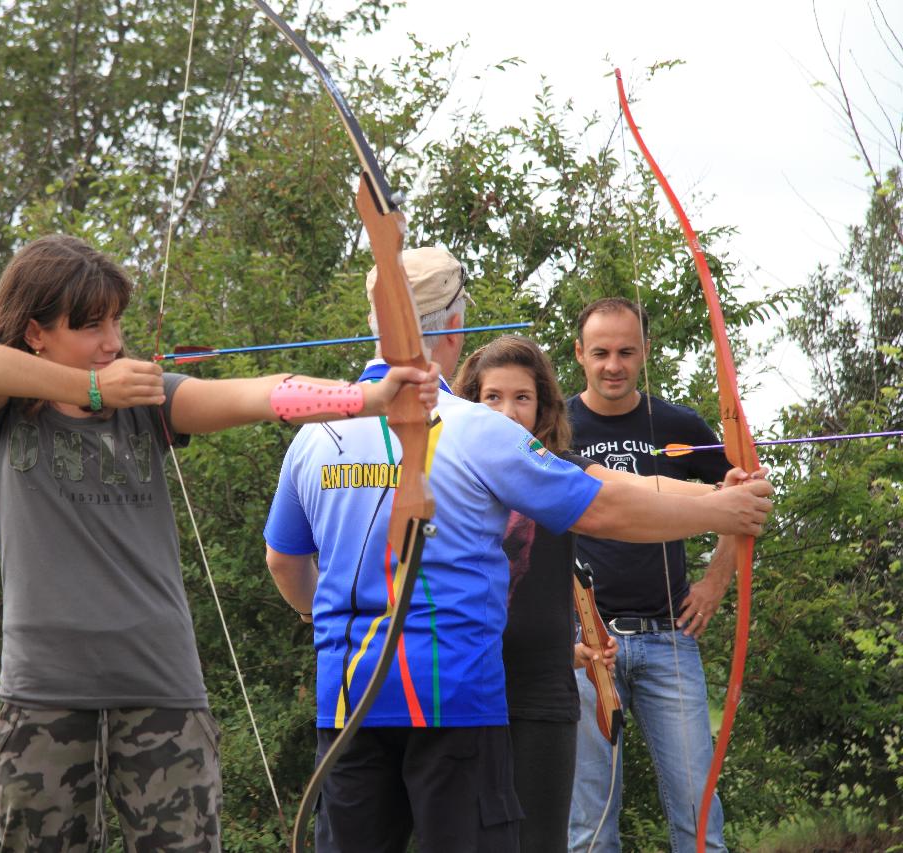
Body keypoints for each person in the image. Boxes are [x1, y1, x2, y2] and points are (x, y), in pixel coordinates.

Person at [0, 234, 441, 853]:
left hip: (162, 692)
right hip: (43, 694)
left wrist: (365, 397)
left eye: (116, 321)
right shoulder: (4, 414)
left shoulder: (152, 405)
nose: (113, 342)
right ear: (36, 333)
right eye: (90, 325)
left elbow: (258, 393)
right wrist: (93, 390)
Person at [262, 248, 775, 853]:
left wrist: (318, 616)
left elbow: (284, 563)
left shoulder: (315, 436)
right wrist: (721, 509)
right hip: (453, 703)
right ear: (453, 326)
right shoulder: (477, 429)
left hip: (348, 702)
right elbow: (600, 506)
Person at [453, 334, 764, 853]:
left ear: (542, 407)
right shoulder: (444, 470)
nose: (508, 413)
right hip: (462, 679)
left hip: (540, 684)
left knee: (544, 837)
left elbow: (637, 489)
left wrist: (721, 493)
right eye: (492, 398)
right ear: (470, 404)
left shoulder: (553, 469)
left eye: (522, 398)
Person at [566, 296, 743, 852]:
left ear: (644, 353)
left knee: (698, 818)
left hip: (668, 638)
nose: (612, 365)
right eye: (600, 353)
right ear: (579, 354)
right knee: (589, 828)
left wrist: (715, 581)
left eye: (625, 351)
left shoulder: (677, 424)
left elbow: (744, 499)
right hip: (586, 646)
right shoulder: (557, 426)